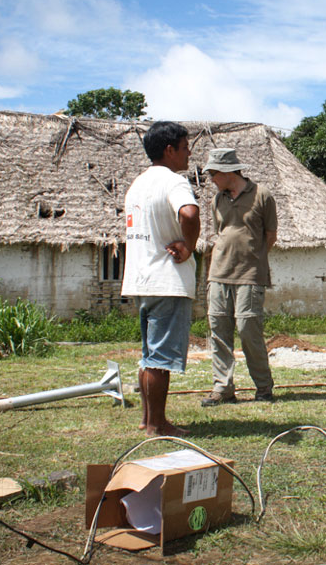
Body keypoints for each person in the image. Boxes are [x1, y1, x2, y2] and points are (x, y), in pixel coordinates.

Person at [121, 121, 200, 436]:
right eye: (185, 147)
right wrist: (189, 245)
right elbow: (190, 214)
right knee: (160, 358)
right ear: (170, 150)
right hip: (167, 280)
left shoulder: (138, 184)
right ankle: (158, 424)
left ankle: (146, 418)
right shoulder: (174, 182)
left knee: (148, 355)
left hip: (141, 279)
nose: (189, 153)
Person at [200, 148, 278, 407]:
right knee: (219, 332)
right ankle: (223, 389)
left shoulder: (262, 195)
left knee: (248, 330)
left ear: (227, 171)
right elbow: (220, 232)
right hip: (218, 274)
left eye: (213, 173)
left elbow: (270, 235)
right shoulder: (216, 200)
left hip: (250, 275)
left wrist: (253, 259)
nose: (211, 178)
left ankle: (264, 387)